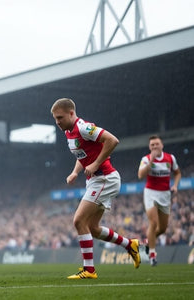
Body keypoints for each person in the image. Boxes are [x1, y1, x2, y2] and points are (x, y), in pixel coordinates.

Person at [50, 98, 140, 279]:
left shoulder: (84, 128)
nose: (57, 122)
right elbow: (82, 154)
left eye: (60, 118)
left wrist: (96, 163)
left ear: (71, 113)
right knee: (93, 228)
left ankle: (89, 270)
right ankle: (130, 245)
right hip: (95, 180)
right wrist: (76, 172)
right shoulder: (69, 132)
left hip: (105, 178)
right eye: (55, 119)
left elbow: (112, 140)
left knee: (78, 221)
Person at [137, 135, 181, 266]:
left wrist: (175, 185)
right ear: (149, 147)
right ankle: (152, 255)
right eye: (152, 145)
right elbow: (140, 175)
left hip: (165, 194)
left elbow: (178, 173)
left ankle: (146, 242)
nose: (155, 147)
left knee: (162, 229)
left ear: (162, 145)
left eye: (157, 144)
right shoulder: (145, 159)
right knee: (153, 222)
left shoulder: (170, 158)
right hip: (150, 192)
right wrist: (151, 161)